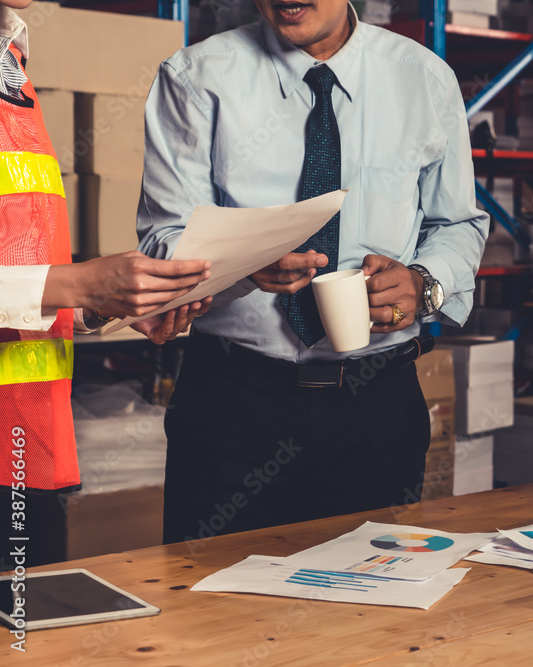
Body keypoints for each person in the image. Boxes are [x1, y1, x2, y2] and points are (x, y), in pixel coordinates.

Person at [136, 0, 488, 543]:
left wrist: (424, 283)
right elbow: (164, 241)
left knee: (367, 608)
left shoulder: (424, 79)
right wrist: (245, 264)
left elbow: (458, 223)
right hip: (233, 404)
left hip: (378, 406)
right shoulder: (195, 77)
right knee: (208, 610)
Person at [0, 0, 212, 495]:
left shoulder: (11, 63)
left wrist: (98, 301)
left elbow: (18, 260)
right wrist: (81, 283)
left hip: (26, 442)